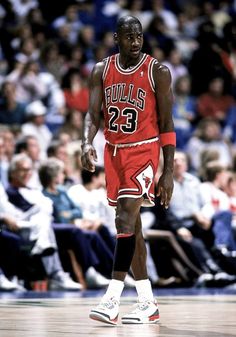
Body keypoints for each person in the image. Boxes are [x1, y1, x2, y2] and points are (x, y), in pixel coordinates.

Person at [81, 15, 176, 325]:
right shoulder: (101, 70)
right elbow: (93, 113)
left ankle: (111, 299)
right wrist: (86, 142)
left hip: (145, 150)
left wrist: (169, 171)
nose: (136, 41)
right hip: (114, 152)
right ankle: (147, 302)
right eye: (129, 36)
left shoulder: (157, 71)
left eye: (139, 36)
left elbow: (167, 124)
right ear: (116, 38)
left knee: (124, 215)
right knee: (130, 226)